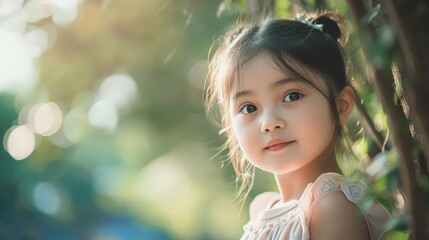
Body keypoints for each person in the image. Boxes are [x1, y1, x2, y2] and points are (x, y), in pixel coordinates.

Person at [205, 11, 391, 240]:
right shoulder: (262, 207)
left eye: (292, 96)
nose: (269, 123)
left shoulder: (333, 208)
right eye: (249, 108)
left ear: (341, 106)